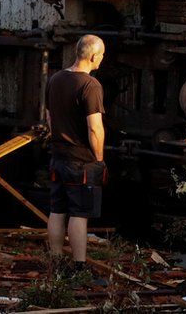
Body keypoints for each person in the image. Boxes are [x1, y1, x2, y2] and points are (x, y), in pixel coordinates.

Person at [45, 34, 107, 271]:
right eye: (101, 55)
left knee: (57, 209)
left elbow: (49, 117)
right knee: (79, 214)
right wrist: (99, 159)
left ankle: (55, 259)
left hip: (58, 156)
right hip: (80, 161)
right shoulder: (90, 86)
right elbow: (95, 128)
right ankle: (79, 266)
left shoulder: (56, 79)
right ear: (93, 56)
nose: (102, 59)